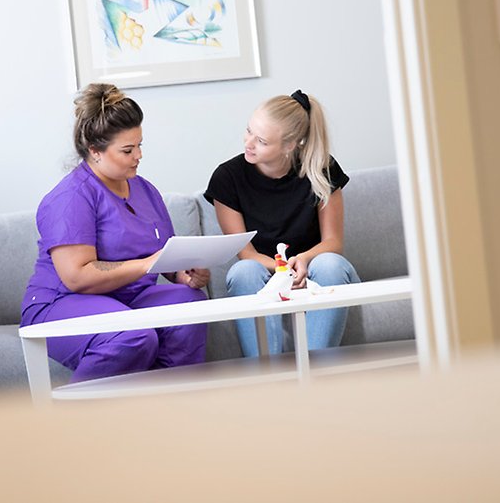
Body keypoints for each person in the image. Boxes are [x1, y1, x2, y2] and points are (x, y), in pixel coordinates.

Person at [20, 83, 210, 383]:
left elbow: (166, 258)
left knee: (190, 303)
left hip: (127, 296)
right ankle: (71, 420)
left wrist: (185, 275)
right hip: (63, 302)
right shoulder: (71, 197)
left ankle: (169, 406)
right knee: (134, 335)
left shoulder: (144, 190)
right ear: (95, 150)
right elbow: (77, 276)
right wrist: (148, 264)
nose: (139, 155)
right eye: (127, 150)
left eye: (140, 145)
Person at [204, 89, 360, 357]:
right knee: (244, 271)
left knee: (331, 263)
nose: (248, 143)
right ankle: (270, 375)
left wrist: (304, 260)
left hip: (314, 272)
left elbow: (333, 243)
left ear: (290, 145)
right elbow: (247, 253)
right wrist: (285, 270)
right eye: (248, 131)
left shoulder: (322, 169)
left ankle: (314, 374)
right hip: (267, 274)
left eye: (262, 141)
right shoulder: (227, 178)